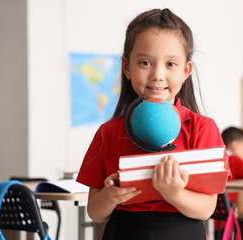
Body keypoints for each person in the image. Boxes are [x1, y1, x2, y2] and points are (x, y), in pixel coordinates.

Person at [76, 8, 229, 240]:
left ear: (186, 70)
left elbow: (207, 209)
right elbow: (95, 213)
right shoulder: (109, 132)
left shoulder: (201, 128)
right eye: (145, 62)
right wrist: (109, 197)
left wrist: (174, 193)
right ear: (127, 67)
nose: (157, 74)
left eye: (170, 64)